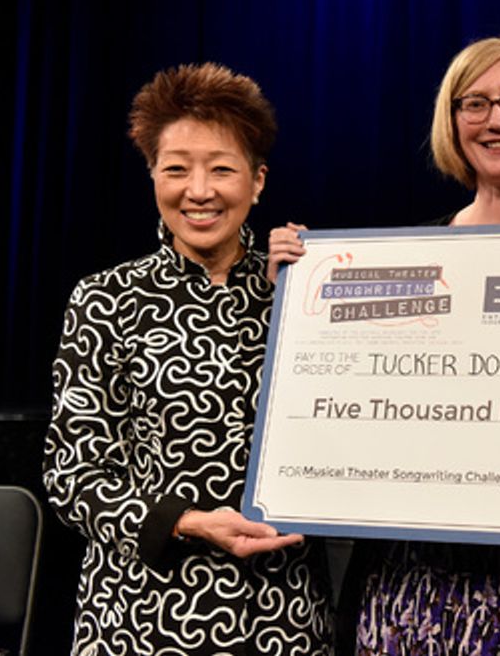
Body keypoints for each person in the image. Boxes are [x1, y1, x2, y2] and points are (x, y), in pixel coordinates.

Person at [268, 37, 500, 656]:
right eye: (475, 103)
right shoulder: (408, 258)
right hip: (417, 590)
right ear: (452, 122)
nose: (498, 119)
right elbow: (352, 407)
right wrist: (304, 282)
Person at [43, 63, 333, 656]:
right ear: (153, 177)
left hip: (282, 616)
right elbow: (71, 478)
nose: (198, 190)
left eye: (222, 168)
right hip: (142, 617)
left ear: (257, 182)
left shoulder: (298, 290)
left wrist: (321, 285)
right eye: (176, 168)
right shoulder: (105, 299)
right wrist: (189, 521)